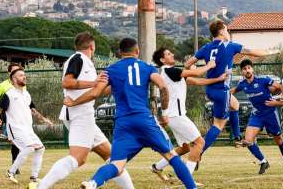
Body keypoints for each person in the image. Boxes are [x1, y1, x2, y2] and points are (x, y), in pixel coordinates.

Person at [64, 38, 197, 189]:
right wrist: (164, 112)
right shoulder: (147, 67)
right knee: (171, 156)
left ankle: (93, 182)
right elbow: (163, 86)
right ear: (137, 51)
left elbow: (95, 93)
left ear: (120, 53)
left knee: (117, 164)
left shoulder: (111, 70)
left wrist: (74, 102)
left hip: (124, 124)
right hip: (144, 120)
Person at [38, 33, 134, 189]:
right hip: (80, 114)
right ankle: (41, 187)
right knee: (78, 159)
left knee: (112, 156)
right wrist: (94, 81)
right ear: (92, 46)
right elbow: (67, 82)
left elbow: (95, 91)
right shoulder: (78, 59)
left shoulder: (85, 62)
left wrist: (118, 86)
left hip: (83, 115)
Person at [184, 20, 277, 154]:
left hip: (210, 89)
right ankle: (198, 152)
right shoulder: (230, 46)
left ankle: (237, 136)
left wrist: (196, 68)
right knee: (218, 125)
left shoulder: (206, 47)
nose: (228, 32)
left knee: (235, 105)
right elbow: (253, 53)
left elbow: (187, 64)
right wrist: (270, 52)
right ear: (221, 31)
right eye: (226, 30)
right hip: (222, 90)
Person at [149, 47, 226, 182]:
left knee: (185, 148)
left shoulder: (171, 73)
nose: (172, 54)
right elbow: (196, 74)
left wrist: (217, 79)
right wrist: (209, 65)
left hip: (175, 116)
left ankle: (157, 166)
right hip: (176, 116)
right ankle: (188, 178)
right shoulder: (169, 70)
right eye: (168, 53)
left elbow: (196, 81)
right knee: (199, 143)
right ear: (162, 60)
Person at [0, 68, 53, 188]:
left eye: (24, 75)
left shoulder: (26, 94)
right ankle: (11, 172)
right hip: (15, 128)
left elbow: (32, 110)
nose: (24, 77)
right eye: (21, 75)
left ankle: (34, 178)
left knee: (40, 149)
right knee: (30, 148)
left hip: (27, 129)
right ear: (14, 79)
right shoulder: (8, 94)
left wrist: (44, 119)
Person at [231, 59, 283, 174]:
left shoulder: (263, 80)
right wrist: (220, 95)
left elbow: (281, 87)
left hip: (270, 113)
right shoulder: (242, 84)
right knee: (247, 141)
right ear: (242, 72)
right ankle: (263, 161)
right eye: (244, 69)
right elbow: (231, 91)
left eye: (249, 68)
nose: (247, 70)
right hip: (257, 114)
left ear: (252, 69)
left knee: (278, 140)